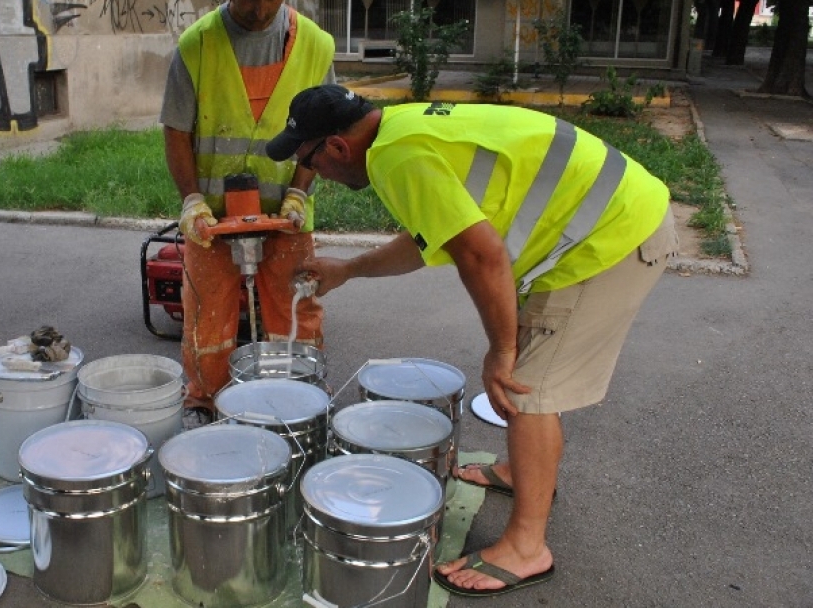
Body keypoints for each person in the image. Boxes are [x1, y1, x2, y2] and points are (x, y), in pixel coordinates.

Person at [266, 84, 678, 597]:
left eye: (310, 164)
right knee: (526, 368)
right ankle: (520, 471)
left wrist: (500, 351)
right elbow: (433, 240)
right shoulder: (402, 128)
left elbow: (481, 256)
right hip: (605, 219)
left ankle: (528, 547)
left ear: (336, 147)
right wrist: (348, 270)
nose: (315, 176)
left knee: (525, 386)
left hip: (611, 236)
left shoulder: (397, 157)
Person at [160, 0, 336, 428]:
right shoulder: (196, 44)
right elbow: (177, 132)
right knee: (207, 316)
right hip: (213, 220)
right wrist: (191, 200)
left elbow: (321, 129)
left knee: (296, 307)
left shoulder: (316, 45)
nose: (258, 8)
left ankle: (302, 394)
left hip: (285, 212)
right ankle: (205, 401)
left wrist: (298, 191)